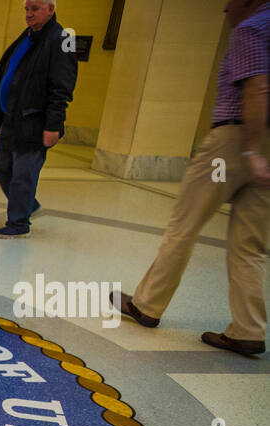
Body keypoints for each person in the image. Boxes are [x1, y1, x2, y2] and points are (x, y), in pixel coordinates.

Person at [115, 0, 270, 356]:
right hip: (264, 152)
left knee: (184, 223)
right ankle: (248, 329)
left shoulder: (252, 29)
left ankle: (147, 305)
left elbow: (258, 88)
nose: (224, 8)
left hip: (234, 144)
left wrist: (250, 151)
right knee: (250, 244)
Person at [0, 0, 76, 238]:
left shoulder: (63, 39)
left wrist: (53, 125)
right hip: (12, 117)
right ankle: (28, 204)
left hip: (34, 120)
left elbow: (61, 87)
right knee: (2, 165)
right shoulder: (29, 35)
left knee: (23, 173)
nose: (29, 14)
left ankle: (19, 224)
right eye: (26, 9)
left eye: (35, 9)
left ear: (51, 9)